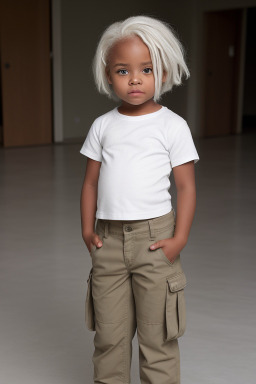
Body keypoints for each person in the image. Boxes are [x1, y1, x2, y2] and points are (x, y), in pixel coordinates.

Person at [80, 15, 200, 384]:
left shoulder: (172, 126)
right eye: (122, 70)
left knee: (158, 336)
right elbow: (90, 183)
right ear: (108, 74)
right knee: (110, 337)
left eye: (146, 69)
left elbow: (186, 187)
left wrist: (179, 239)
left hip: (155, 240)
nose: (134, 79)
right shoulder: (103, 125)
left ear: (161, 73)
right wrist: (88, 231)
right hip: (109, 241)